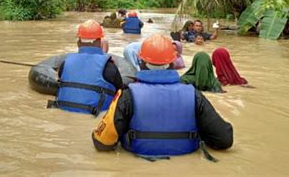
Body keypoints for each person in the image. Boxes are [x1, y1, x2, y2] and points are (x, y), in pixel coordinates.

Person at [92, 34, 233, 158]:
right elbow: (224, 140)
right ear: (173, 63)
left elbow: (102, 142)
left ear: (140, 62)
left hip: (140, 158)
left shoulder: (127, 96)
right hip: (184, 160)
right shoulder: (193, 95)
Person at [47, 20, 123, 116]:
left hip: (64, 114)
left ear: (78, 43)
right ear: (100, 42)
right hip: (94, 117)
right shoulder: (109, 67)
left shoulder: (65, 63)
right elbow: (120, 93)